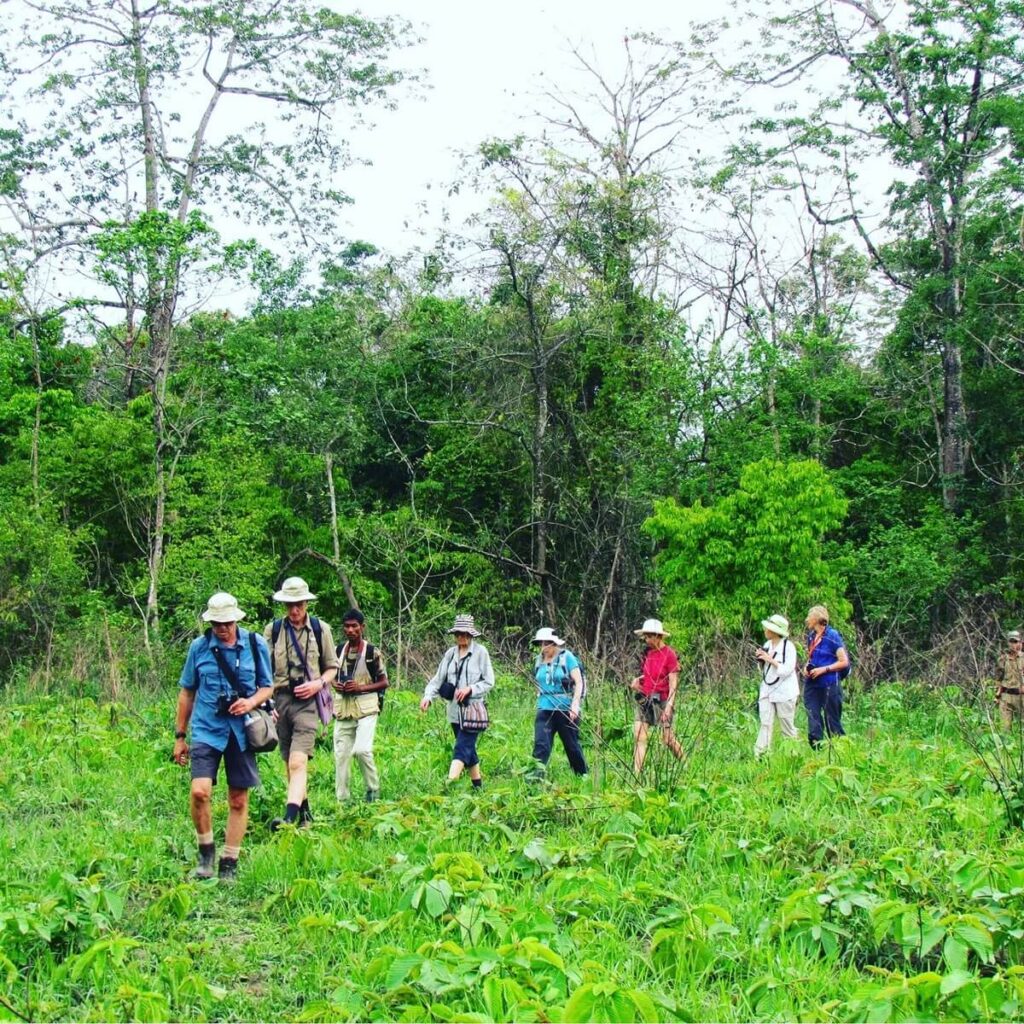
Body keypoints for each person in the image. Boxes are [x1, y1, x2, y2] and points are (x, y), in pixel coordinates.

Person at [174, 593, 273, 882]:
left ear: (236, 619)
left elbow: (267, 687)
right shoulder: (199, 648)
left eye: (227, 623)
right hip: (206, 728)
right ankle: (206, 853)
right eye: (216, 623)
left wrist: (250, 702)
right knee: (199, 791)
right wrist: (180, 736)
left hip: (242, 730)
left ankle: (230, 861)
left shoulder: (255, 645)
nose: (222, 628)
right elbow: (187, 691)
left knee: (238, 798)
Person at [263, 577, 339, 829]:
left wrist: (318, 684)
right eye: (289, 605)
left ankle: (288, 819)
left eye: (299, 604)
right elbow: (263, 672)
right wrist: (266, 704)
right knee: (288, 762)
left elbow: (332, 668)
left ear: (306, 603)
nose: (294, 610)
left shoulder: (321, 630)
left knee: (298, 761)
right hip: (280, 700)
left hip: (307, 703)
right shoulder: (272, 631)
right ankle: (304, 813)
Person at [420, 614, 495, 788]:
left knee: (461, 748)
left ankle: (448, 786)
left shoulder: (481, 653)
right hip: (454, 711)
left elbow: (489, 681)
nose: (461, 637)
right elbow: (438, 679)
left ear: (471, 634)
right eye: (458, 633)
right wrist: (428, 697)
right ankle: (478, 787)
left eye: (465, 633)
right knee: (468, 749)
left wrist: (470, 689)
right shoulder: (450, 654)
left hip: (474, 711)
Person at [333, 609, 389, 802]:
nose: (350, 630)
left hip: (366, 709)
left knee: (362, 750)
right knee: (341, 757)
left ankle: (373, 791)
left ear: (362, 627)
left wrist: (361, 687)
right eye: (347, 626)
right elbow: (330, 675)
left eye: (354, 626)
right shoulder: (339, 650)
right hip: (343, 709)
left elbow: (384, 682)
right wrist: (336, 684)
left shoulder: (372, 652)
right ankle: (342, 801)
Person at [528, 627, 587, 778]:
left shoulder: (567, 657)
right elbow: (539, 682)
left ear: (554, 643)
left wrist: (575, 705)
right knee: (541, 745)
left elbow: (578, 682)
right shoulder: (538, 660)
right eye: (541, 643)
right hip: (544, 708)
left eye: (547, 643)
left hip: (565, 708)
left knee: (571, 746)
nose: (543, 647)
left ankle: (582, 776)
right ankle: (535, 779)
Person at [630, 618, 685, 774]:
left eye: (649, 636)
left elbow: (673, 682)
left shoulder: (670, 655)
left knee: (667, 739)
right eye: (645, 636)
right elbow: (649, 676)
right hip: (645, 699)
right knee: (640, 736)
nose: (646, 640)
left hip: (662, 700)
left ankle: (684, 763)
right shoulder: (647, 654)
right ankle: (636, 773)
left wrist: (669, 706)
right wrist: (637, 683)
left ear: (658, 636)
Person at [803, 604, 849, 748]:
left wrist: (824, 669)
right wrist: (807, 667)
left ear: (817, 618)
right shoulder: (811, 637)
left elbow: (844, 661)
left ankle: (840, 750)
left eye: (809, 617)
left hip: (829, 684)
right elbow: (813, 658)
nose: (807, 620)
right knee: (813, 718)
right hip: (812, 684)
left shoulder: (832, 635)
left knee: (832, 721)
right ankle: (817, 749)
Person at [753, 613, 799, 756]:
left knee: (787, 726)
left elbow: (787, 670)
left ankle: (793, 755)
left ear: (775, 631)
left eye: (768, 628)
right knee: (765, 723)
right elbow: (766, 670)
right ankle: (760, 755)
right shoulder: (767, 645)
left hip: (785, 692)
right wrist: (761, 659)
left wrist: (771, 660)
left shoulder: (788, 647)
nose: (765, 630)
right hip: (767, 690)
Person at [995, 629, 1024, 729]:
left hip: (1021, 696)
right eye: (1011, 641)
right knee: (1005, 728)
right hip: (1006, 696)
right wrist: (997, 695)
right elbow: (999, 678)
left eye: (1016, 642)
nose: (1014, 645)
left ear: (1021, 643)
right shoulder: (1002, 659)